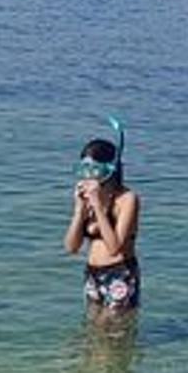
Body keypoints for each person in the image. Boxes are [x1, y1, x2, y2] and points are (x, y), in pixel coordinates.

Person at [63, 128, 141, 316]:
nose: (88, 176)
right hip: (92, 274)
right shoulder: (87, 199)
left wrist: (97, 206)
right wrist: (79, 209)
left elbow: (115, 248)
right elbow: (71, 248)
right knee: (93, 332)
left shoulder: (127, 199)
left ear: (109, 169)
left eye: (94, 169)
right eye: (84, 169)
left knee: (114, 334)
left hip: (120, 273)